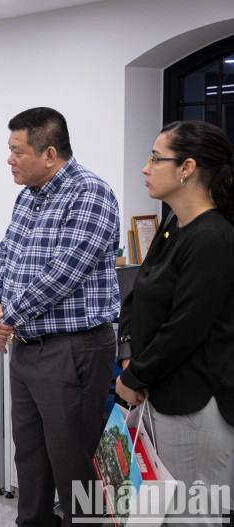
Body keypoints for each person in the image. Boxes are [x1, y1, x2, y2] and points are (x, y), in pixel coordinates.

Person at [0, 107, 120, 526]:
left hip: (72, 349)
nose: (9, 159)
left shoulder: (90, 193)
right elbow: (6, 254)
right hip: (28, 346)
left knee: (74, 464)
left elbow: (65, 272)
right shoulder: (28, 196)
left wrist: (7, 316)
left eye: (17, 151)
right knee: (30, 460)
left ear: (49, 154)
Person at [115, 120, 234, 522]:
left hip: (194, 402)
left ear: (187, 167)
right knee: (162, 513)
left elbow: (185, 328)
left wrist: (134, 376)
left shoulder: (213, 237)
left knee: (191, 516)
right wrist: (129, 355)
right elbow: (137, 295)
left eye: (155, 159)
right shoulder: (172, 224)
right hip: (160, 391)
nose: (146, 168)